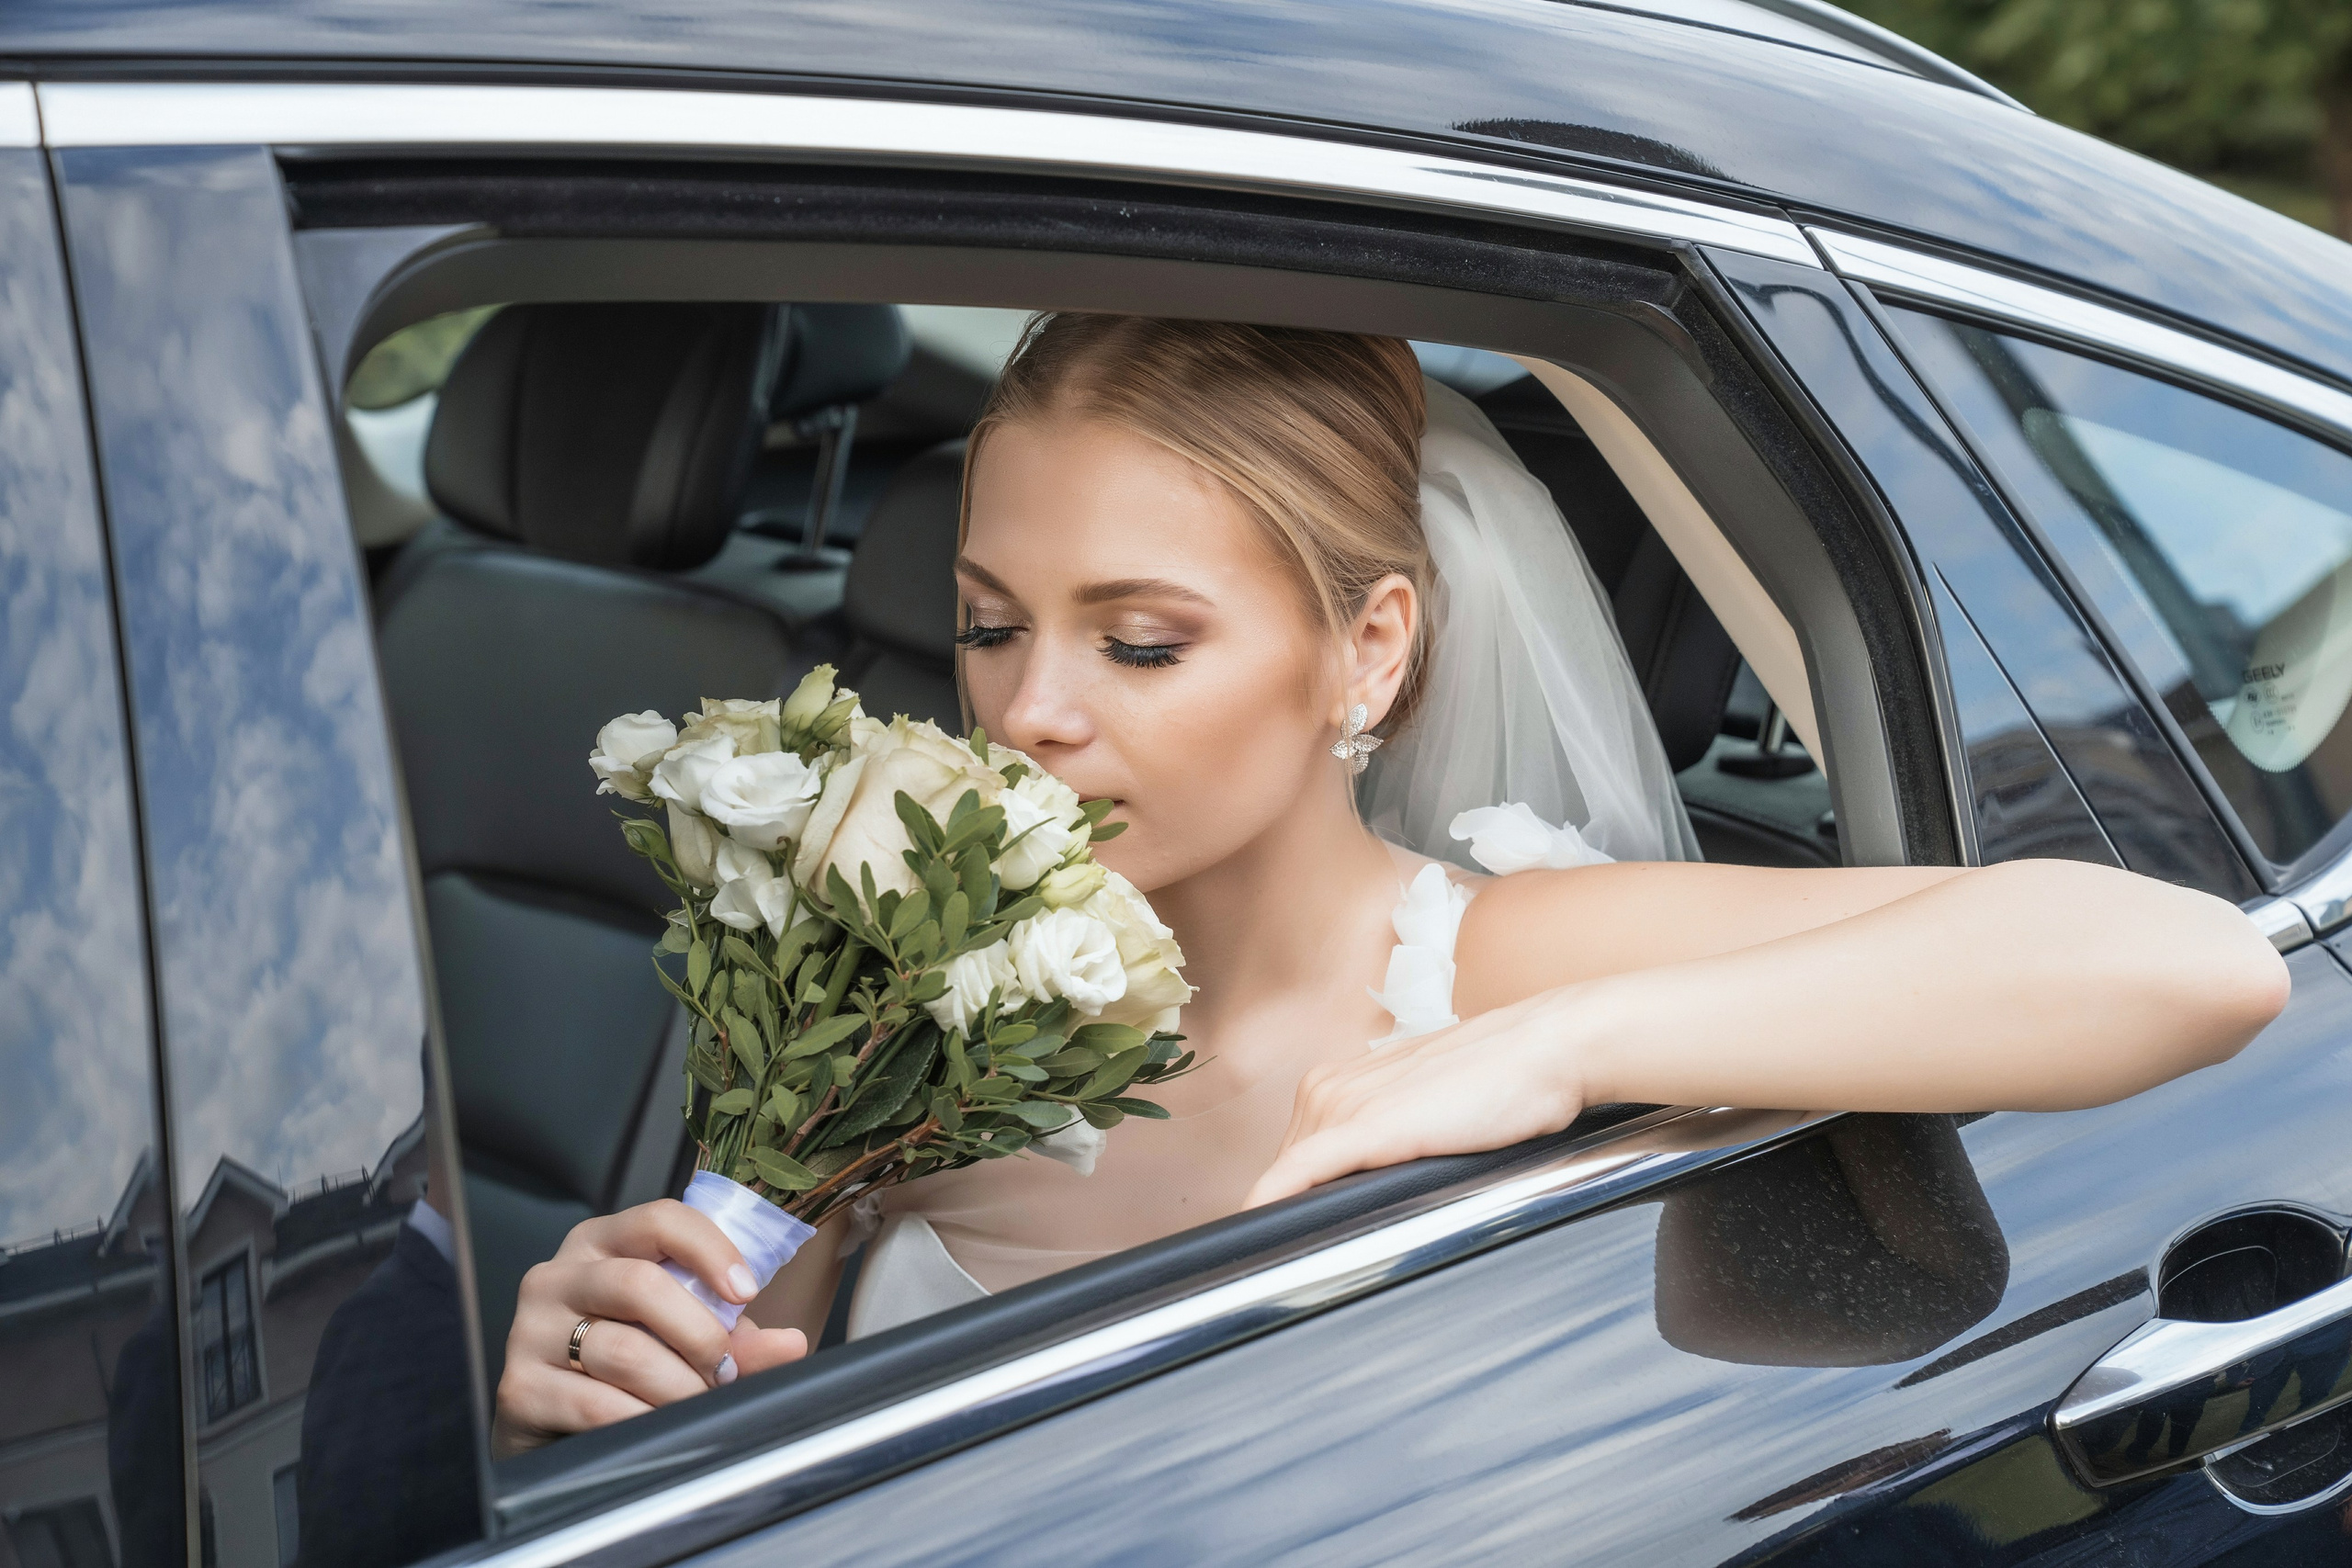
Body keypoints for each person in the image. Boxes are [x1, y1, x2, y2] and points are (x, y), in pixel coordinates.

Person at [491, 315, 2288, 1453]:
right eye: (986, 622)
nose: (1025, 709)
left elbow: (2183, 960)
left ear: (1363, 653)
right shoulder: (899, 1001)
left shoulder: (1492, 952)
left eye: (1136, 641)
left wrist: (1570, 1042)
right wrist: (633, 1371)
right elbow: (757, 1434)